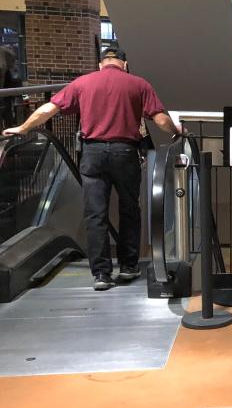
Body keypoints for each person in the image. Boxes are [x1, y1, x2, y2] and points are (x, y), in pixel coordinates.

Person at [2, 46, 181, 291]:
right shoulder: (138, 84)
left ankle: (102, 274)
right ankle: (129, 267)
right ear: (124, 64)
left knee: (95, 214)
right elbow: (160, 120)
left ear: (100, 64)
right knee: (130, 209)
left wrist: (22, 128)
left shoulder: (83, 83)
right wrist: (178, 132)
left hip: (92, 154)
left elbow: (48, 109)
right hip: (125, 152)